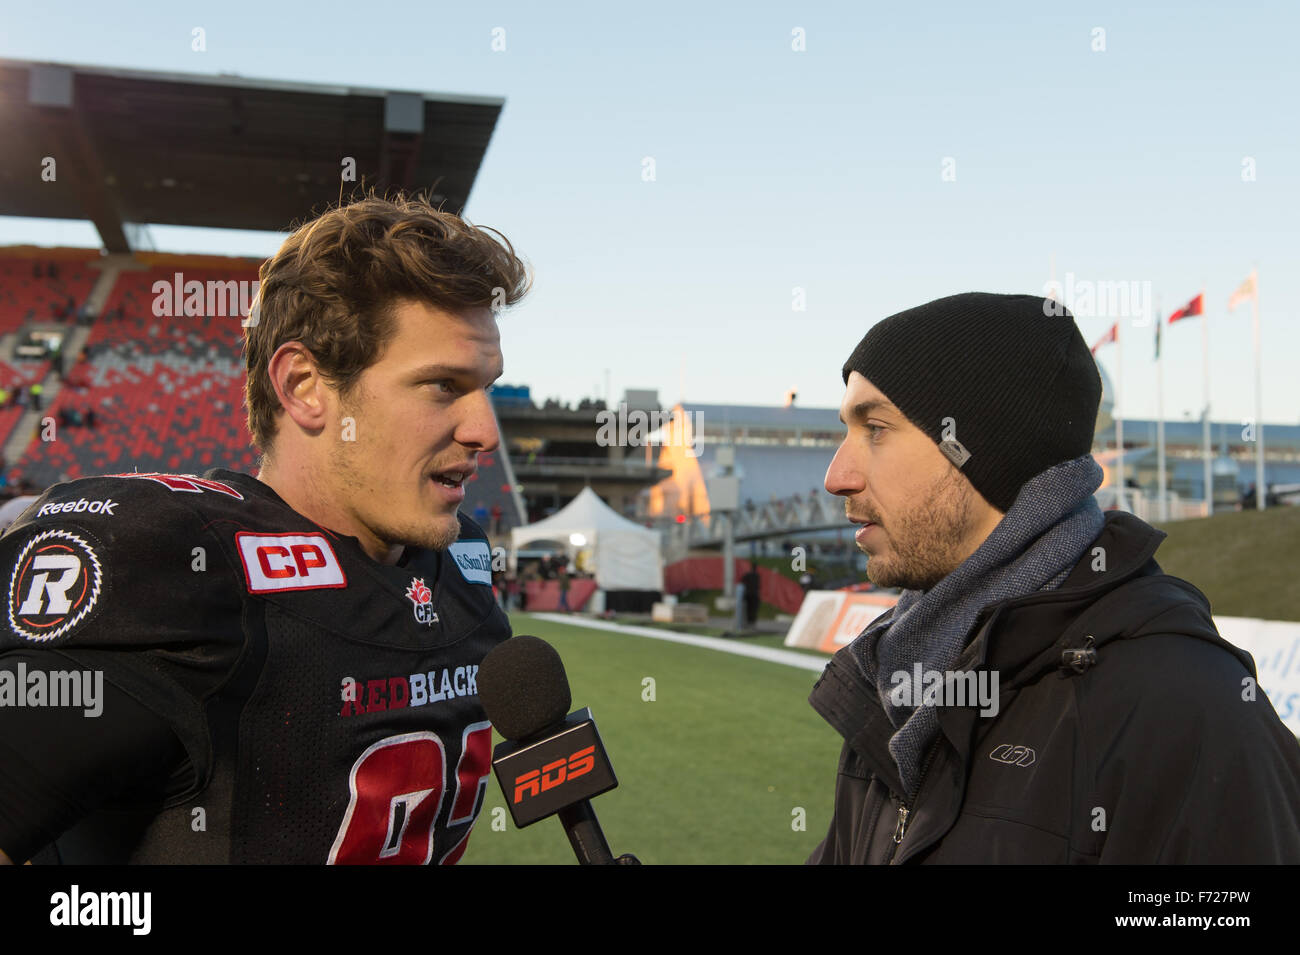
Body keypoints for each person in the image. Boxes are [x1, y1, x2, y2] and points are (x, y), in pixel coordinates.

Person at [0, 194, 530, 865]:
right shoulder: (186, 566)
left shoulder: (462, 566)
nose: (485, 430)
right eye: (442, 385)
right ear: (305, 386)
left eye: (486, 385)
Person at [809, 292, 1300, 864]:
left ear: (981, 448)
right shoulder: (894, 674)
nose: (836, 476)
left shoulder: (1184, 707)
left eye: (876, 428)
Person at [740, 562, 760, 627]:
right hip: (754, 595)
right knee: (753, 609)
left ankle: (749, 621)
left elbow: (742, 580)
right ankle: (752, 621)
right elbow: (758, 586)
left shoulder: (748, 575)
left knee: (749, 609)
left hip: (749, 594)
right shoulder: (757, 576)